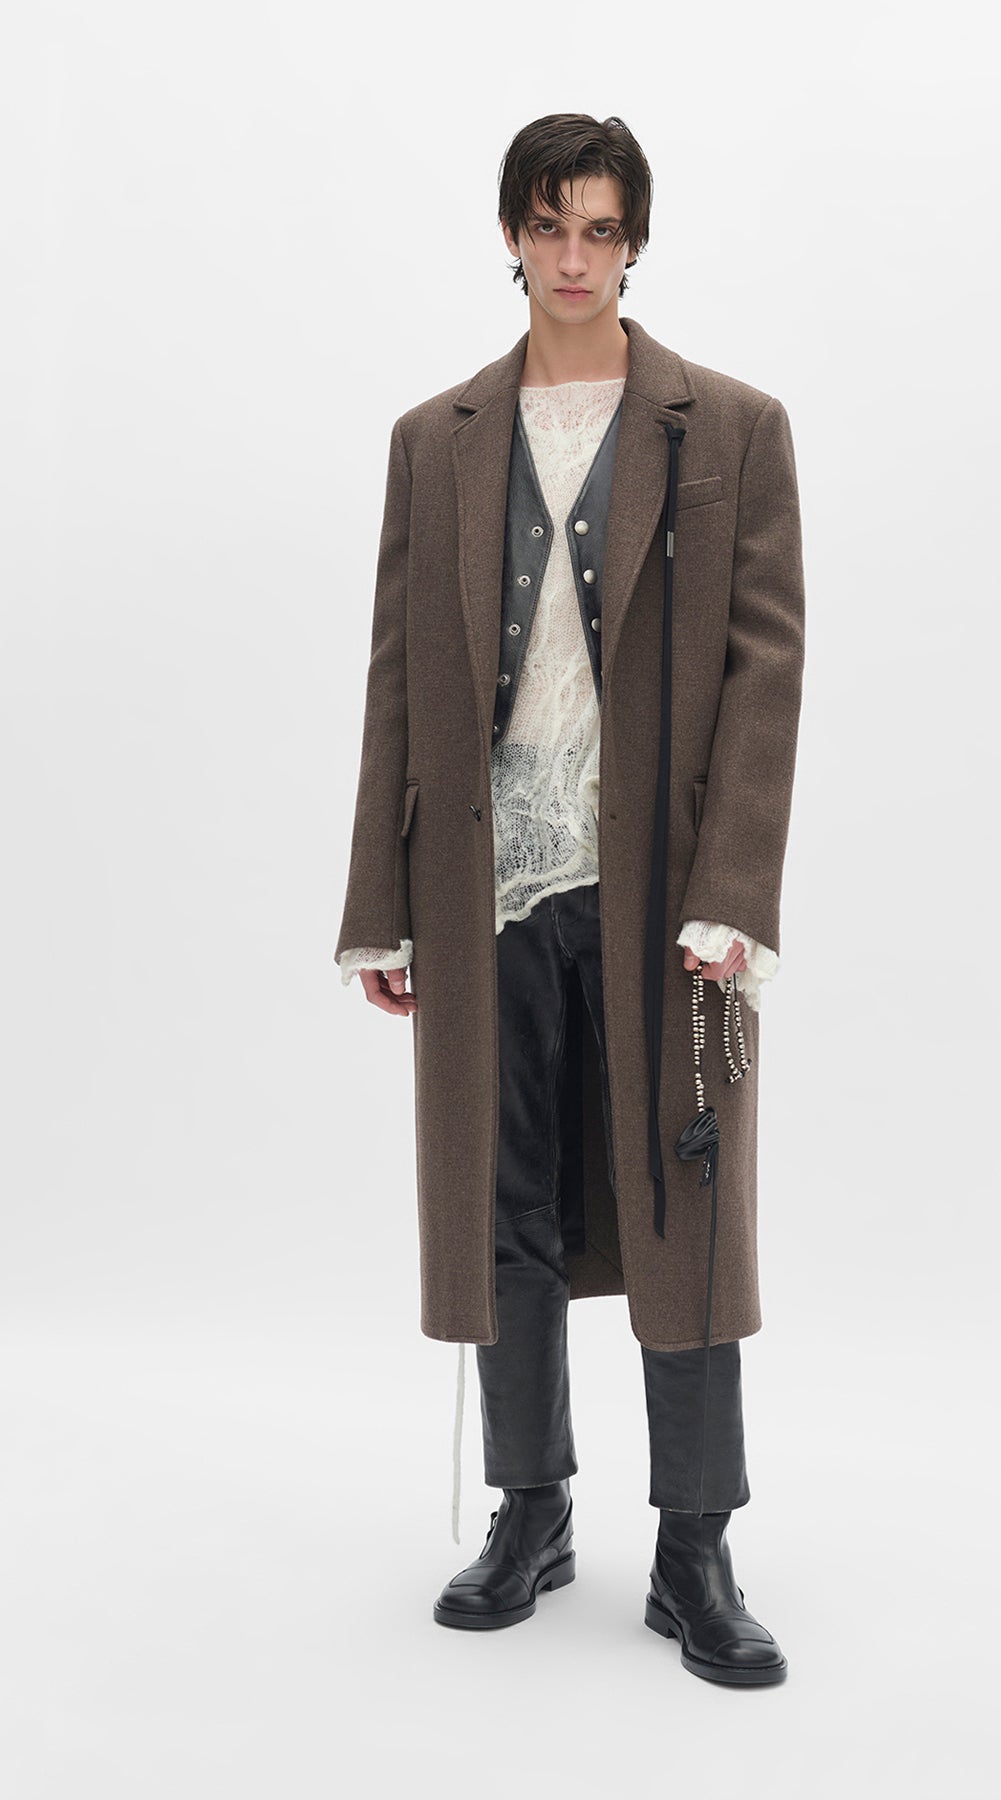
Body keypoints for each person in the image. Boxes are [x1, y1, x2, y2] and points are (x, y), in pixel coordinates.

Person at [333, 113, 806, 1686]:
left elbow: (766, 671)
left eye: (602, 228)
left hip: (667, 894)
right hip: (486, 885)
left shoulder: (729, 425)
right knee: (505, 1198)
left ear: (634, 242)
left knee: (685, 1202)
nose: (575, 256)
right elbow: (397, 681)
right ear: (513, 238)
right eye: (551, 227)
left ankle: (696, 1549)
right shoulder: (438, 438)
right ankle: (529, 1512)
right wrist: (378, 903)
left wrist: (736, 888)